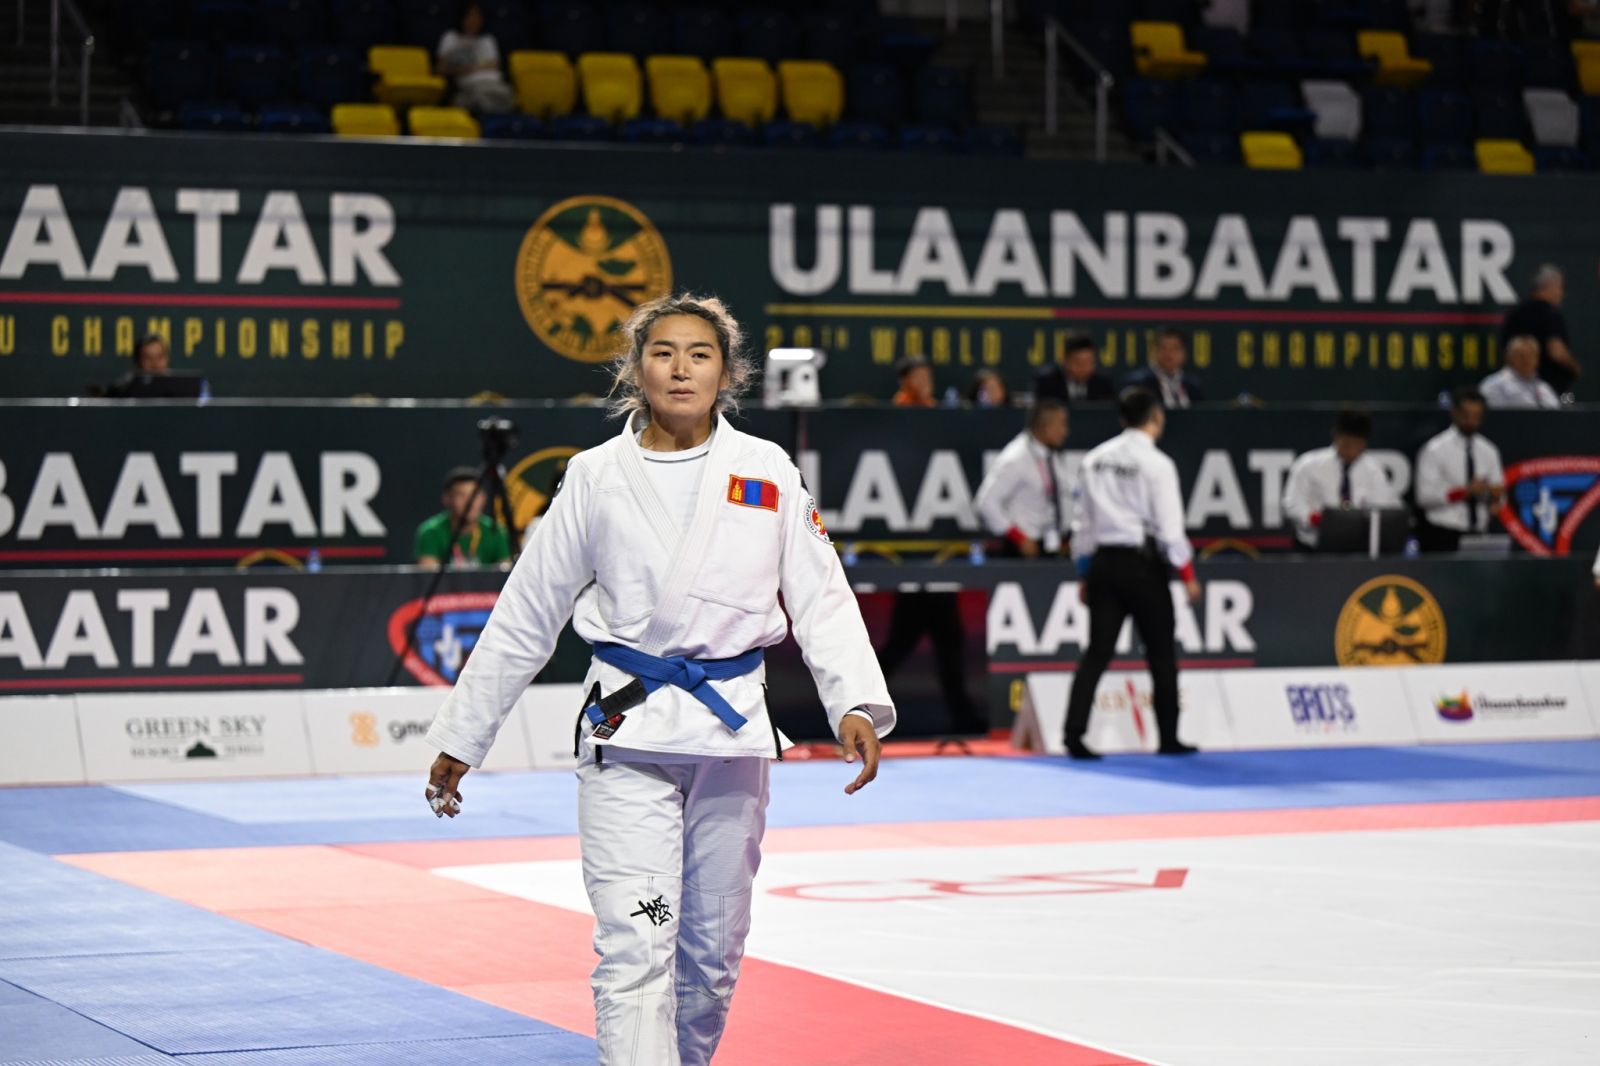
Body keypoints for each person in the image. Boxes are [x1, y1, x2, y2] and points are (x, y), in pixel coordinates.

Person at [422, 292, 893, 1066]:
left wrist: (854, 701)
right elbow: (528, 609)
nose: (680, 369)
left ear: (726, 373)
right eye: (663, 352)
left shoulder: (765, 469)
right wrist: (464, 735)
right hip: (626, 730)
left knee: (710, 961)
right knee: (635, 948)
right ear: (634, 369)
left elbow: (820, 592)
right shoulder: (595, 475)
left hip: (731, 732)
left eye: (699, 354)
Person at [1064, 388, 1199, 760]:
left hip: (1104, 565)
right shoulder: (1158, 464)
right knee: (1161, 654)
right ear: (1156, 417)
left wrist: (1084, 572)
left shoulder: (1094, 460)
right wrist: (1187, 573)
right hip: (1143, 568)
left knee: (1097, 652)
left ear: (1123, 418)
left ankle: (1073, 734)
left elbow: (1082, 524)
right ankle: (1168, 738)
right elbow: (1171, 529)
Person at [1282, 407, 1402, 551]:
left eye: (1358, 445)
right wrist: (1316, 519)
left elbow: (1385, 507)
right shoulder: (1308, 465)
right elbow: (1292, 504)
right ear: (1335, 437)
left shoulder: (1374, 470)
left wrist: (1358, 521)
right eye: (1347, 445)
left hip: (1357, 547)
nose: (1352, 451)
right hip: (1314, 546)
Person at [973, 399, 1072, 558]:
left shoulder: (1049, 453)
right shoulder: (1016, 457)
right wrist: (1019, 538)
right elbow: (985, 503)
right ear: (1044, 427)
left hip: (1046, 542)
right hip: (1020, 548)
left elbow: (1067, 488)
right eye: (1061, 425)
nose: (1065, 431)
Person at [1414, 387, 1505, 553]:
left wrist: (1495, 499)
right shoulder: (1434, 450)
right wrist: (1465, 491)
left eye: (1476, 416)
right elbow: (1424, 497)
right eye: (1466, 414)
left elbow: (1500, 493)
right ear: (1454, 413)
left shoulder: (1489, 451)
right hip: (1442, 534)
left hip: (1479, 533)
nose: (1471, 421)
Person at [1499, 264, 1581, 398]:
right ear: (1551, 286)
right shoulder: (1551, 314)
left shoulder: (1515, 313)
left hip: (1512, 389)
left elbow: (1504, 353)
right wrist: (1574, 367)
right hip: (1547, 388)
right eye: (1560, 288)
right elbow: (1556, 352)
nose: (1561, 294)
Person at [414, 467, 513, 569]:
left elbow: (506, 571)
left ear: (484, 499)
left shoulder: (496, 531)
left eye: (475, 495)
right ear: (447, 499)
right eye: (461, 495)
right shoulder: (431, 532)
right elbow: (428, 574)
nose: (470, 502)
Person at [436, 2, 514, 115]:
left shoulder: (487, 40)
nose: (474, 20)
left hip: (493, 81)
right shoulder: (451, 38)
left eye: (477, 17)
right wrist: (478, 67)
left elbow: (494, 65)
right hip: (468, 85)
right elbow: (441, 68)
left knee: (505, 94)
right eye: (471, 16)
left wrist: (467, 68)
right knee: (483, 99)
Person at [1124, 327, 1205, 408]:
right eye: (1163, 348)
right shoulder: (1139, 383)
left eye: (1175, 348)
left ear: (1184, 353)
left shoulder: (1193, 386)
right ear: (1154, 350)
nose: (1168, 353)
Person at [1480, 335, 1562, 410]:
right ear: (1509, 357)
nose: (1526, 360)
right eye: (1520, 355)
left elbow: (1556, 414)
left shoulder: (1543, 387)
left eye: (1531, 355)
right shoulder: (1494, 384)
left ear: (1537, 359)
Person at [1034, 333, 1114, 406]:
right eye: (1079, 363)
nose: (1085, 368)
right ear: (1065, 360)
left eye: (1090, 362)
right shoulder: (1046, 383)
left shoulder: (1103, 384)